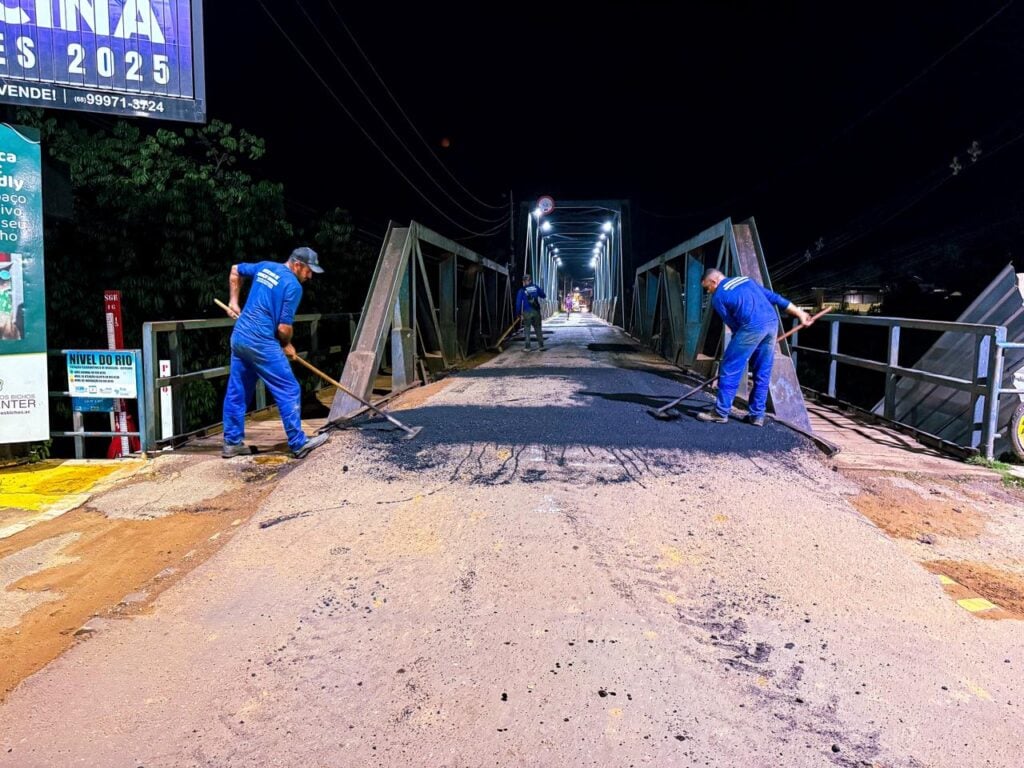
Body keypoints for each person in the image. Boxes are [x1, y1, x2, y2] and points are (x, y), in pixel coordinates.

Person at [221, 247, 331, 459]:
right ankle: (298, 443)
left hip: (240, 337)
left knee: (238, 391)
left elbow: (235, 270)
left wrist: (233, 302)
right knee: (288, 388)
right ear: (297, 264)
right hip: (261, 342)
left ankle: (232, 443)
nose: (309, 276)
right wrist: (286, 343)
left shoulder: (265, 267)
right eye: (309, 271)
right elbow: (283, 329)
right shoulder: (292, 285)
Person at [698, 268, 813, 426]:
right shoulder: (747, 280)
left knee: (730, 366)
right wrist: (799, 313)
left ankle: (720, 412)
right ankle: (757, 415)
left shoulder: (718, 296)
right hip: (772, 324)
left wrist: (743, 350)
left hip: (751, 327)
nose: (709, 291)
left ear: (714, 281)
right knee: (762, 370)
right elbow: (775, 298)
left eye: (707, 288)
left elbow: (733, 325)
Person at [515, 273, 547, 351]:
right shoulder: (536, 287)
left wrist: (517, 313)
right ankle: (541, 346)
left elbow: (518, 303)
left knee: (527, 329)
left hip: (527, 312)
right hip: (536, 311)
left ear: (524, 281)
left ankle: (527, 347)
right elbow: (543, 295)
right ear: (530, 280)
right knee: (538, 328)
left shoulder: (522, 290)